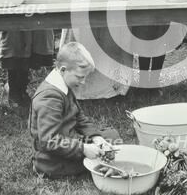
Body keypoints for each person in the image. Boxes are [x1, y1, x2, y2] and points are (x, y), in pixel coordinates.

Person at [29, 42, 122, 178]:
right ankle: (95, 162)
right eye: (80, 77)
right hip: (51, 159)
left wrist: (97, 139)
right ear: (63, 70)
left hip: (69, 140)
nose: (83, 82)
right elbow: (49, 141)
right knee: (107, 151)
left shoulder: (63, 85)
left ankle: (98, 154)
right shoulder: (49, 98)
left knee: (111, 137)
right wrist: (84, 149)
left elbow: (79, 118)